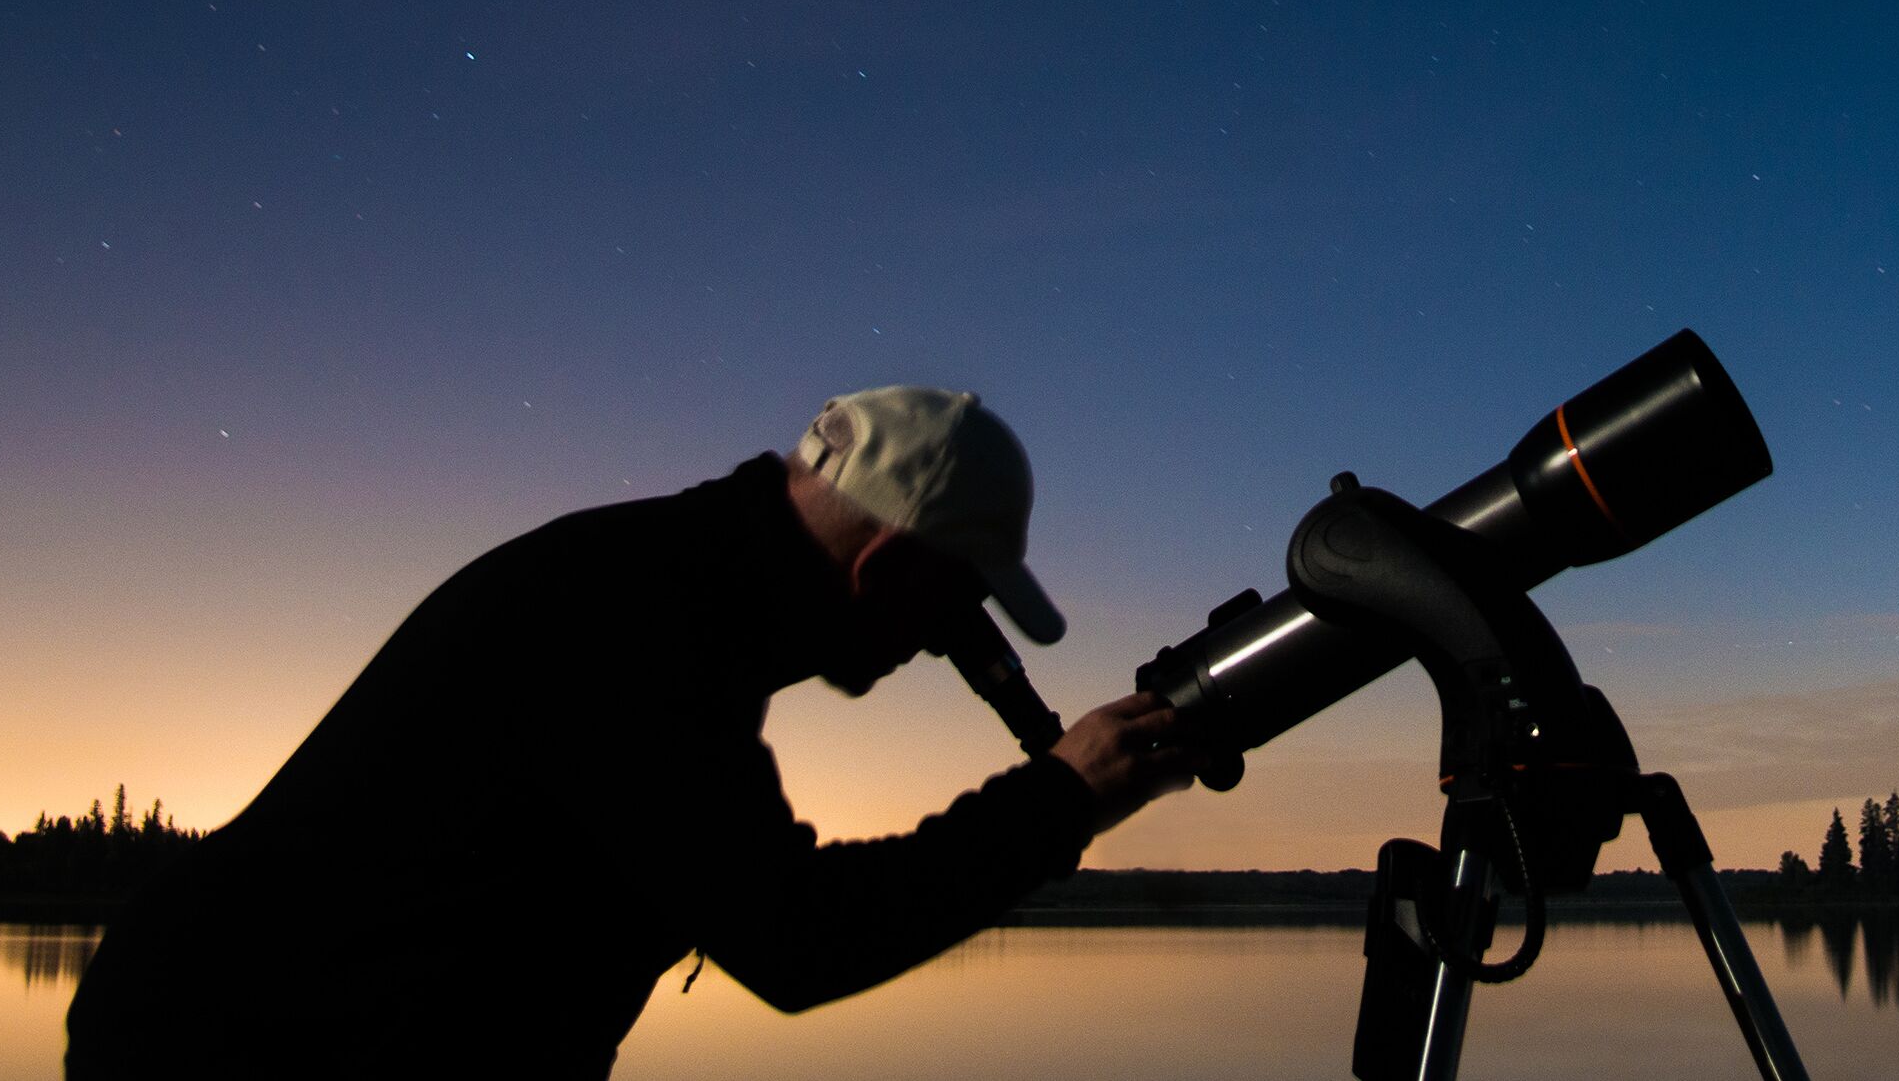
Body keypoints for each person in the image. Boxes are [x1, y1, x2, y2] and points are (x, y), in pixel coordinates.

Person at [65, 385, 1196, 1076]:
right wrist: (1059, 799)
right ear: (885, 565)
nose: (943, 644)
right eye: (951, 609)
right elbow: (797, 941)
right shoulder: (642, 619)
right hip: (236, 1057)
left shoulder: (678, 582)